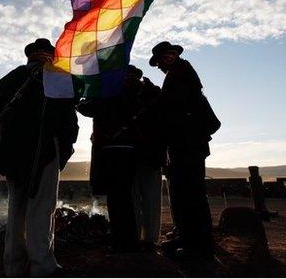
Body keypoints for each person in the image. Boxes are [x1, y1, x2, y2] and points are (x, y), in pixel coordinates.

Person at [0, 38, 78, 277]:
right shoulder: (57, 77)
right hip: (45, 151)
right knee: (42, 208)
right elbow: (69, 118)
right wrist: (63, 149)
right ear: (49, 55)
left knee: (17, 210)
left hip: (14, 153)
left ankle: (14, 267)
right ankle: (42, 266)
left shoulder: (12, 77)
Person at [149, 41, 221, 260]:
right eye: (163, 58)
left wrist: (156, 97)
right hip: (183, 146)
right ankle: (187, 238)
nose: (164, 61)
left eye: (168, 56)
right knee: (182, 194)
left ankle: (198, 247)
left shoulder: (181, 74)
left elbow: (173, 108)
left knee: (191, 196)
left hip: (187, 145)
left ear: (173, 56)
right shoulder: (179, 75)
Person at [76, 65, 147, 253]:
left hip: (111, 149)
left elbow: (88, 108)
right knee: (124, 196)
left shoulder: (109, 92)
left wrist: (83, 98)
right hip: (130, 149)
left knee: (117, 198)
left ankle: (122, 242)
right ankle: (128, 239)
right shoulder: (136, 92)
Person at [132, 73, 167, 251]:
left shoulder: (126, 94)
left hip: (138, 155)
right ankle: (150, 238)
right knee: (151, 199)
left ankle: (139, 236)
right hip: (151, 154)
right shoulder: (155, 94)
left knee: (136, 199)